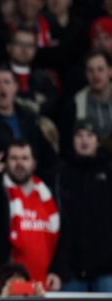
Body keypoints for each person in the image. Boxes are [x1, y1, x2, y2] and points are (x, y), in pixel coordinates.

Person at [0, 139, 62, 290]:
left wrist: (57, 270)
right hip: (7, 286)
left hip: (44, 286)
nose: (19, 163)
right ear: (6, 162)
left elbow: (62, 237)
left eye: (24, 158)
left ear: (34, 163)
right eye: (14, 158)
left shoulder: (49, 195)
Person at [54, 120, 112, 292]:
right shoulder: (62, 174)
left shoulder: (109, 171)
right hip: (72, 268)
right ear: (72, 140)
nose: (84, 140)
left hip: (107, 267)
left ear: (97, 140)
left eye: (89, 135)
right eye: (79, 135)